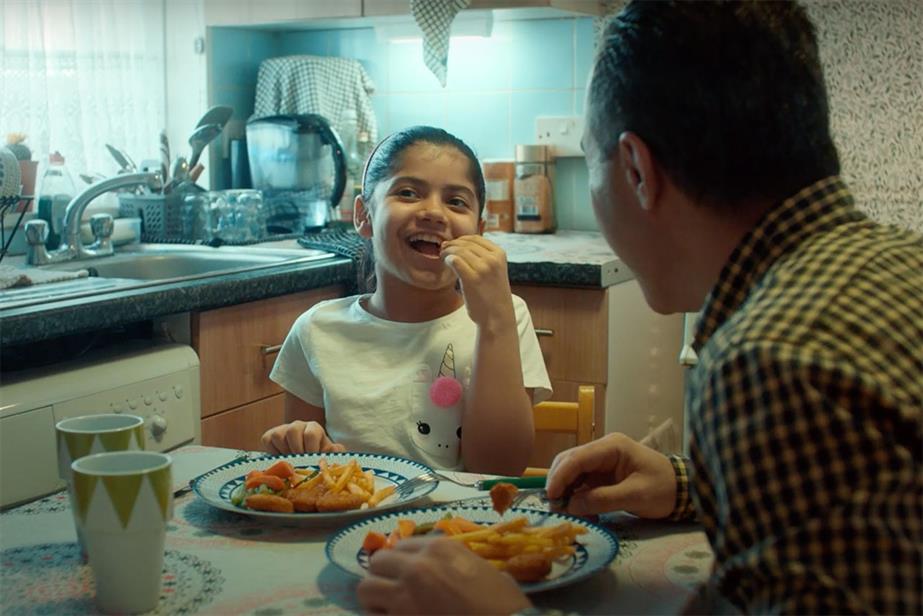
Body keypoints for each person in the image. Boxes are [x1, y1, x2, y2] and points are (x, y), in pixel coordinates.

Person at [356, 2, 922, 614]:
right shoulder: (899, 261)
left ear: (636, 170)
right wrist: (688, 483)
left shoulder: (767, 360)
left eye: (590, 162)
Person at [261, 125, 552, 474]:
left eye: (456, 201)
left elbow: (500, 470)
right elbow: (305, 471)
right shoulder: (316, 330)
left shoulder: (507, 317)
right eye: (409, 193)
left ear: (479, 230)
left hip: (464, 524)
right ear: (363, 215)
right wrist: (298, 443)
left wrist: (495, 323)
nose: (434, 212)